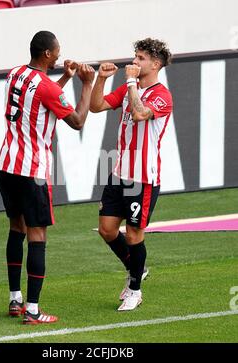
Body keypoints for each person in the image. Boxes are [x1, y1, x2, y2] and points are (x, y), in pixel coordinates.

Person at [0, 30, 95, 324]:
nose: (60, 55)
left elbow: (38, 96)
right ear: (47, 54)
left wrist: (63, 80)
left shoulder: (15, 74)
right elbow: (77, 121)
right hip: (32, 171)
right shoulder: (47, 87)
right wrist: (86, 85)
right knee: (37, 235)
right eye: (57, 51)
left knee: (17, 229)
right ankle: (33, 310)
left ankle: (16, 299)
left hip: (6, 165)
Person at [90, 38, 172, 311]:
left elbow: (139, 114)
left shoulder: (162, 95)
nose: (134, 62)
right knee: (107, 229)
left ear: (156, 64)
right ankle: (136, 268)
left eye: (141, 58)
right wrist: (100, 79)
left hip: (143, 178)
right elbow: (97, 105)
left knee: (135, 233)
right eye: (135, 57)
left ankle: (135, 290)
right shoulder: (130, 89)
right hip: (119, 172)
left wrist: (131, 84)